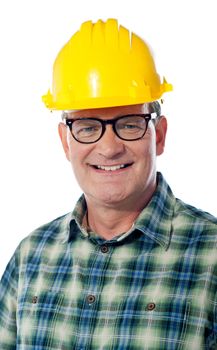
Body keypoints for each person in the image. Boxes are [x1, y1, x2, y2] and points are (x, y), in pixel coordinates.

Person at [0, 18, 216, 349]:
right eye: (87, 127)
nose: (109, 147)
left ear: (158, 135)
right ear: (65, 141)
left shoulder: (211, 256)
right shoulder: (30, 258)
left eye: (129, 124)